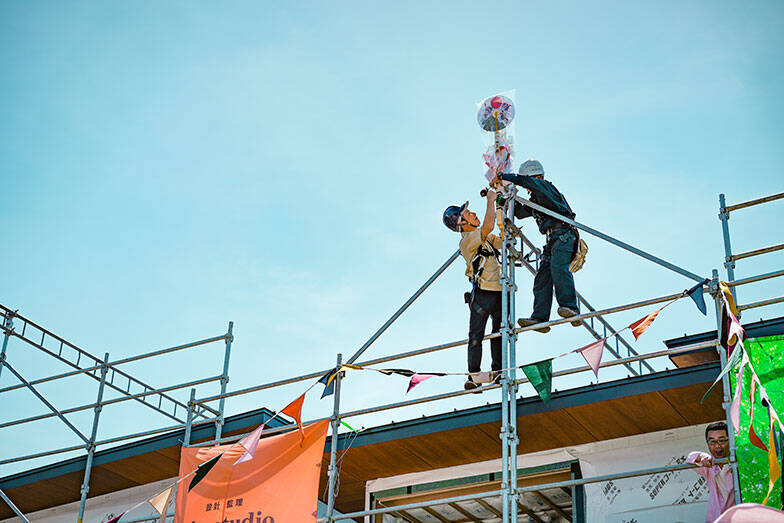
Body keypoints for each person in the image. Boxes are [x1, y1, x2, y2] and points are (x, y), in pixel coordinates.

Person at [494, 159, 580, 333]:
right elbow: (519, 213)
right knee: (542, 278)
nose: (527, 189)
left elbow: (527, 182)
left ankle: (570, 307)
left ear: (533, 176)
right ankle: (540, 317)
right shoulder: (537, 199)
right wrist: (503, 198)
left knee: (558, 268)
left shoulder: (546, 188)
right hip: (553, 240)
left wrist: (504, 177)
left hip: (564, 235)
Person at [442, 189, 503, 391]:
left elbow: (502, 239)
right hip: (483, 292)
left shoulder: (485, 237)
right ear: (461, 223)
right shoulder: (467, 240)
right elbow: (487, 226)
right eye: (467, 213)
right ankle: (474, 374)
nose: (473, 213)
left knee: (499, 333)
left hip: (499, 290)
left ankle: (498, 371)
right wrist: (490, 201)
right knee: (476, 335)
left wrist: (500, 207)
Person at [687, 421, 736, 522]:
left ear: (730, 440)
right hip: (716, 519)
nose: (717, 446)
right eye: (712, 441)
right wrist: (702, 456)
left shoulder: (738, 463)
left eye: (721, 440)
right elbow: (690, 457)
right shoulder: (708, 466)